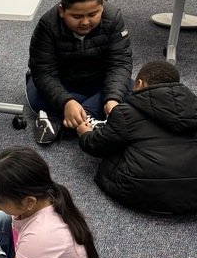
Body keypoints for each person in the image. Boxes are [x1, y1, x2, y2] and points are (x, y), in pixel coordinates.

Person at [77, 60, 197, 214]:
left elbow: (96, 146)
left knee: (115, 150)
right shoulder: (193, 107)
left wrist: (84, 133)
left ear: (139, 83)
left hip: (140, 189)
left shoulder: (126, 112)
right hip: (193, 192)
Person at [27, 0, 132, 145]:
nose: (85, 22)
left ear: (102, 8)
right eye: (76, 16)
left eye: (92, 14)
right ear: (62, 11)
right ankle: (94, 120)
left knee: (130, 87)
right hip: (62, 81)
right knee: (37, 97)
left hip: (97, 80)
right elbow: (43, 72)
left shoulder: (113, 18)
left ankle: (60, 123)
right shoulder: (48, 24)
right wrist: (66, 102)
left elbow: (120, 63)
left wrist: (112, 99)